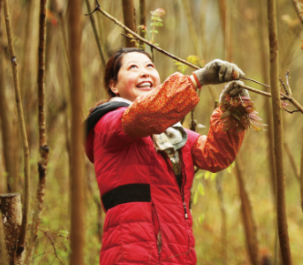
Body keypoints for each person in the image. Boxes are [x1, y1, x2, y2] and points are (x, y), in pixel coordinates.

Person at [84, 47, 251, 265]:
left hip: (179, 255)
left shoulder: (173, 135)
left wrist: (233, 110)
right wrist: (196, 80)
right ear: (113, 85)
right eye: (133, 67)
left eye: (149, 66)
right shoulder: (109, 123)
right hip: (132, 254)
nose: (144, 72)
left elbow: (215, 155)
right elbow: (144, 116)